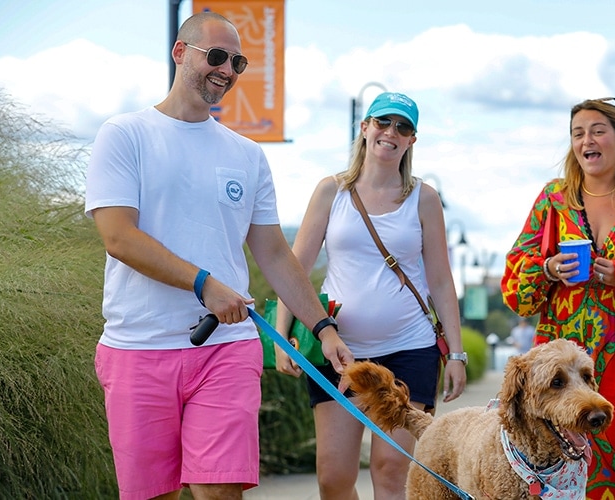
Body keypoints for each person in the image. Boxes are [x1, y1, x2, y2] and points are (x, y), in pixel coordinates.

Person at [83, 12, 355, 500]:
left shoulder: (247, 155)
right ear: (180, 52)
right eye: (217, 56)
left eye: (238, 62)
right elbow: (118, 237)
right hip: (137, 349)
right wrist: (204, 284)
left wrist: (322, 327)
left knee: (219, 491)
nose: (227, 70)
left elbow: (273, 252)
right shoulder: (124, 135)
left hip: (226, 349)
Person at [272, 91, 467, 499]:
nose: (390, 132)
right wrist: (281, 337)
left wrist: (456, 354)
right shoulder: (331, 191)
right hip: (339, 352)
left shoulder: (424, 199)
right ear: (365, 128)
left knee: (392, 470)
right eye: (383, 122)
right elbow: (295, 269)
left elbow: (442, 282)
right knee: (333, 475)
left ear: (412, 140)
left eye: (403, 126)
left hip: (409, 349)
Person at [502, 97, 615, 498]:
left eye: (597, 130)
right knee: (555, 471)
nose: (587, 140)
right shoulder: (552, 200)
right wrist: (549, 269)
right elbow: (515, 288)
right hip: (556, 373)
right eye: (578, 133)